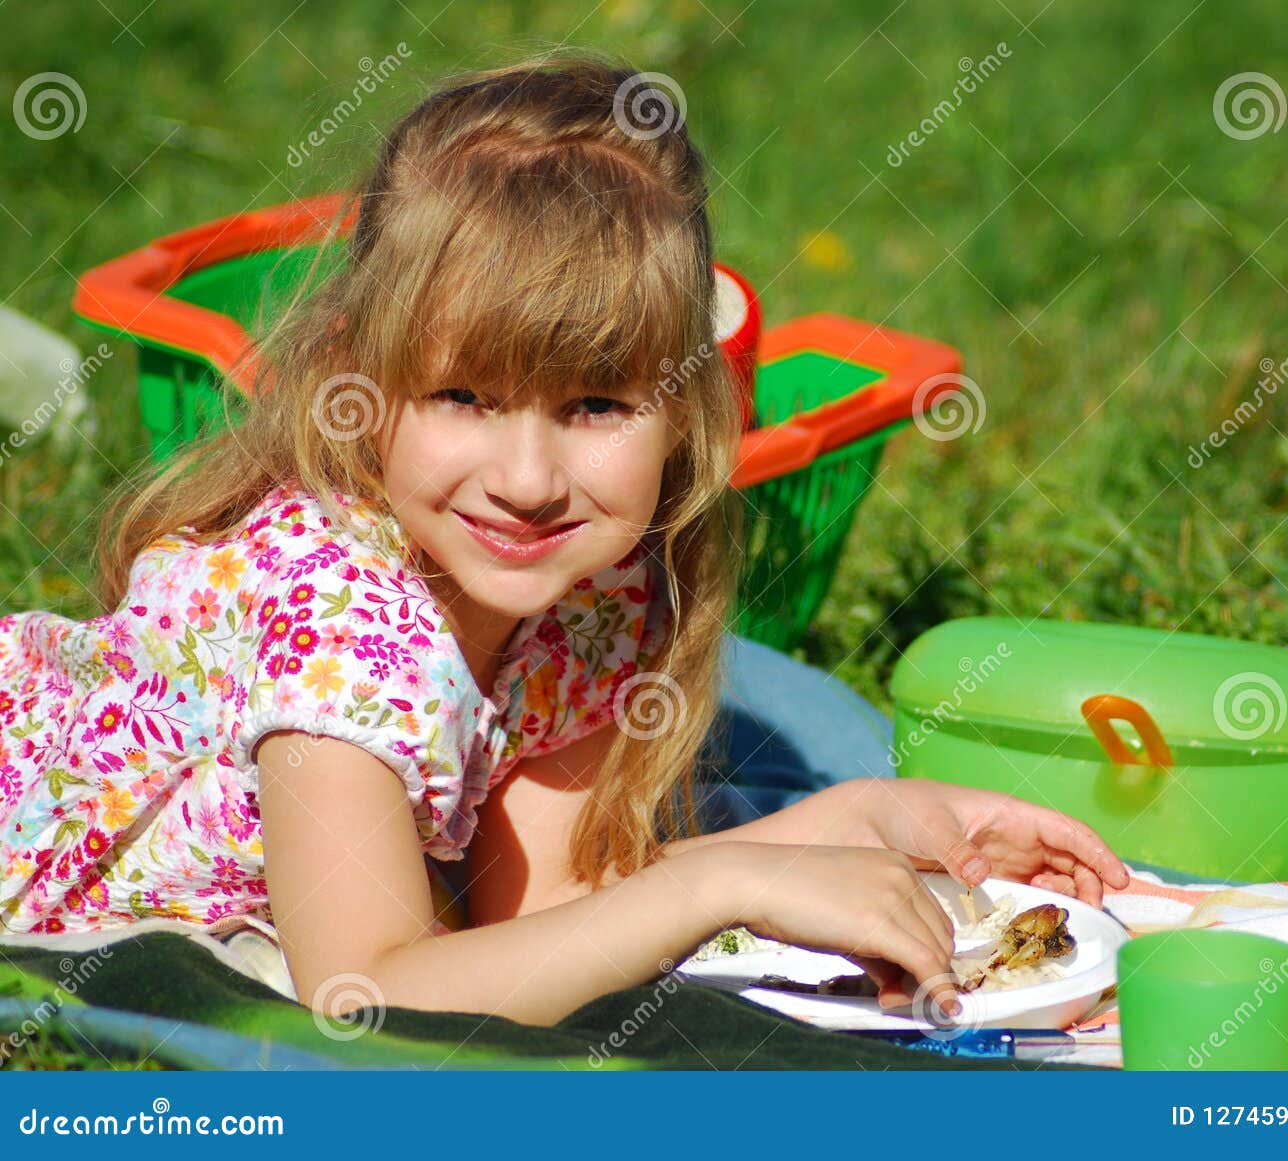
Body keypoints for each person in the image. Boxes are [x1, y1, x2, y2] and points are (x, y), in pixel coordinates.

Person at [0, 52, 1128, 1027]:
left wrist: (872, 821)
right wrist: (722, 884)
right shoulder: (335, 630)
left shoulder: (588, 591)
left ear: (686, 407)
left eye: (594, 406)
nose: (529, 481)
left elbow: (545, 921)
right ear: (358, 381)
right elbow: (372, 991)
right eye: (460, 397)